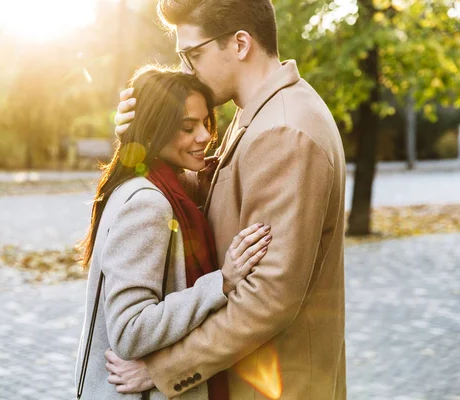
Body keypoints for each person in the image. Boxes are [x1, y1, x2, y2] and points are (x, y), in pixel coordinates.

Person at [106, 0, 348, 399]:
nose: (187, 70)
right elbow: (224, 197)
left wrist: (164, 369)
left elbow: (267, 297)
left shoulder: (285, 131)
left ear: (239, 44)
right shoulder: (258, 112)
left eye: (194, 54)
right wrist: (141, 143)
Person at [74, 66, 273, 399]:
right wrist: (220, 283)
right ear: (153, 130)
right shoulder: (149, 204)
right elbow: (129, 331)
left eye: (205, 123)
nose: (204, 136)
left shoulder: (141, 184)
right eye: (186, 127)